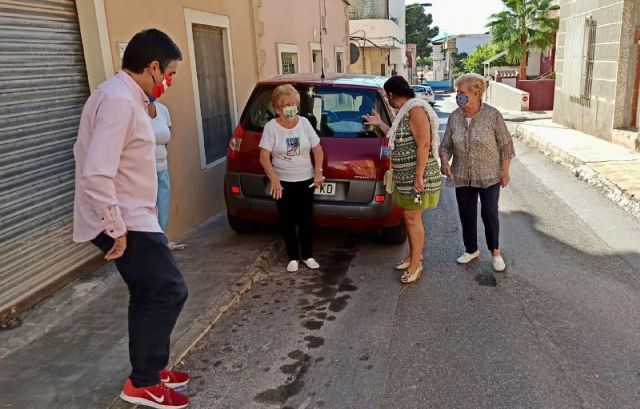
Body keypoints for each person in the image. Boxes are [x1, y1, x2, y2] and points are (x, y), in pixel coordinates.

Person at [73, 29, 189, 409]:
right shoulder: (120, 101)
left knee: (148, 293)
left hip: (135, 215)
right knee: (170, 290)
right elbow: (96, 170)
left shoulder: (125, 97)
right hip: (126, 219)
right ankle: (143, 382)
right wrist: (115, 228)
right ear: (153, 67)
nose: (169, 81)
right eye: (169, 73)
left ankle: (149, 372)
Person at [364, 76, 441, 284]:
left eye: (387, 97)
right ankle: (412, 257)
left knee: (412, 219)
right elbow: (398, 139)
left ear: (390, 95)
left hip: (418, 177)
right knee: (409, 218)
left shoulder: (415, 110)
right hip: (407, 177)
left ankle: (416, 264)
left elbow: (423, 145)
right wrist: (379, 123)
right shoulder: (405, 110)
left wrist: (418, 177)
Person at [439, 73, 515, 272]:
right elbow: (445, 145)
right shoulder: (455, 117)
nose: (459, 96)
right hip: (462, 174)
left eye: (462, 92)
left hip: (489, 174)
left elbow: (506, 145)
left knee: (489, 212)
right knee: (466, 213)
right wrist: (445, 161)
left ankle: (495, 251)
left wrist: (505, 172)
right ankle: (471, 249)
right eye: (458, 93)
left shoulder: (492, 116)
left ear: (476, 92)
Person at [259, 84, 325, 273]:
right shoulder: (271, 127)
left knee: (305, 219)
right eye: (286, 104)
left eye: (293, 103)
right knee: (287, 220)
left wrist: (318, 171)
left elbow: (317, 149)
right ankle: (293, 257)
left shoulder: (304, 123)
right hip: (283, 181)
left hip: (305, 179)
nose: (291, 106)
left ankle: (308, 255)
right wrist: (274, 178)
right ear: (278, 108)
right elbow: (264, 156)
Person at [148, 97, 185, 250]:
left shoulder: (163, 110)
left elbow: (166, 137)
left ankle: (161, 242)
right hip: (144, 172)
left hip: (162, 167)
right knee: (147, 211)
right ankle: (151, 246)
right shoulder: (135, 110)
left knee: (162, 207)